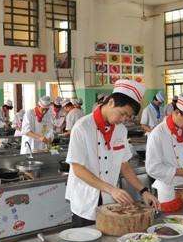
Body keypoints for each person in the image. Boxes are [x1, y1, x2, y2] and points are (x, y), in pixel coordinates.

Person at [65, 79, 159, 227]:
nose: (123, 119)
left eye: (127, 117)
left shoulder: (120, 130)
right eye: (122, 114)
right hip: (86, 200)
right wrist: (111, 189)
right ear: (111, 103)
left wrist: (144, 191)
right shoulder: (82, 127)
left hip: (110, 200)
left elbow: (125, 165)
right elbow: (78, 169)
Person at [146, 94, 183, 212]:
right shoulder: (158, 134)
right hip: (167, 191)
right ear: (177, 113)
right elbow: (152, 168)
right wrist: (180, 172)